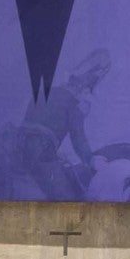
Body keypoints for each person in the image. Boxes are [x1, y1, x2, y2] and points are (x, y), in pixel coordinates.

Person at [13, 49, 109, 201]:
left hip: (18, 146)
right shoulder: (74, 105)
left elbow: (33, 124)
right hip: (40, 155)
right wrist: (91, 159)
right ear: (84, 89)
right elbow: (78, 139)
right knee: (69, 200)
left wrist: (53, 148)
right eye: (88, 91)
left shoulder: (44, 91)